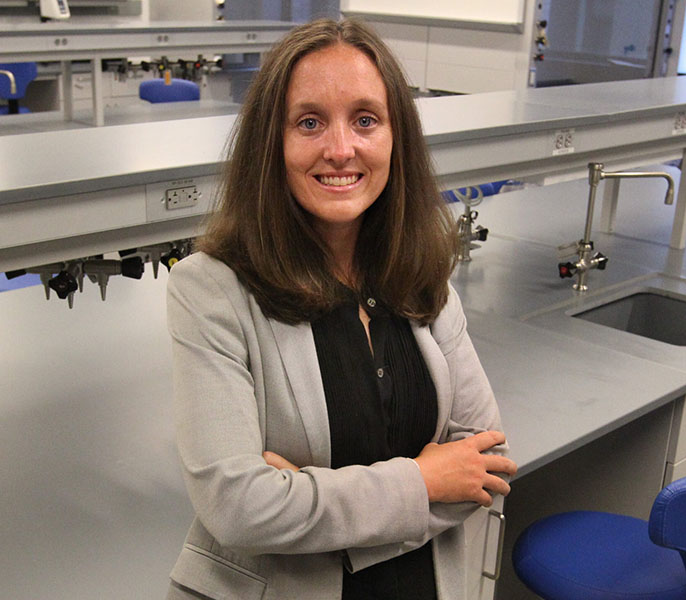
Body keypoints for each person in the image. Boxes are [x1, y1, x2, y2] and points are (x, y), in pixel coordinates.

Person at [165, 17, 517, 600]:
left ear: (394, 137)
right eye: (309, 122)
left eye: (365, 120)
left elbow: (489, 463)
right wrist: (424, 481)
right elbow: (238, 509)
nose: (340, 149)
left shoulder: (422, 278)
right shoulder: (209, 291)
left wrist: (305, 496)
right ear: (271, 143)